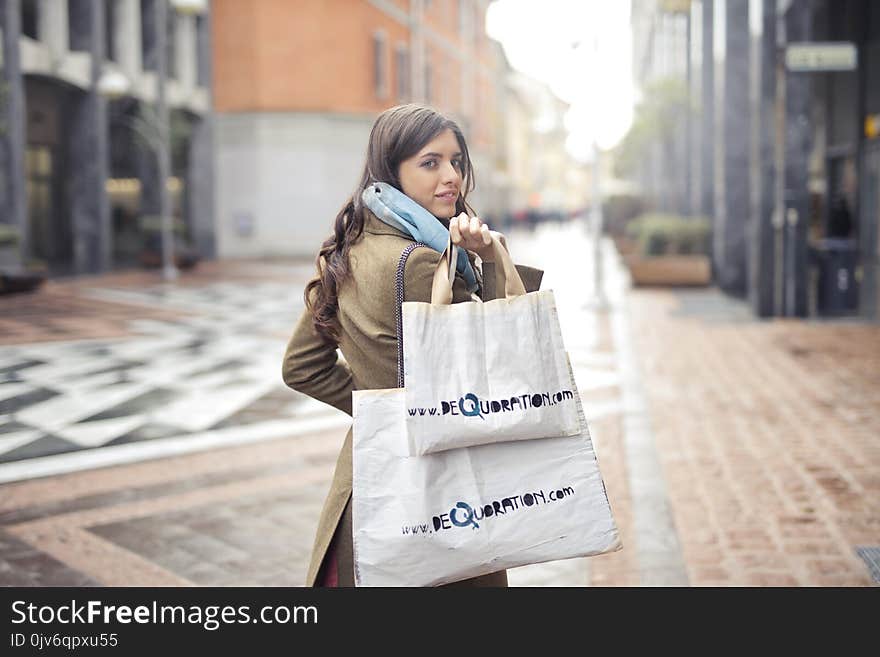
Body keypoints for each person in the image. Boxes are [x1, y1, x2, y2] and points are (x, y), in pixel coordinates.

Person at [282, 104, 543, 587]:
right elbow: (498, 361)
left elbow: (302, 367)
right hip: (439, 499)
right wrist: (489, 257)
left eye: (457, 162)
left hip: (365, 489)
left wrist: (380, 409)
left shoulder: (345, 249)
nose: (452, 178)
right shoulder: (426, 264)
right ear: (392, 170)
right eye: (431, 163)